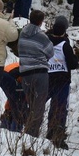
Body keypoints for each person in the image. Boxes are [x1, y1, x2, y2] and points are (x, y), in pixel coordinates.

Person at [17, 10, 54, 138]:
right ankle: (32, 134)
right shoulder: (41, 36)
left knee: (31, 103)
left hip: (25, 73)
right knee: (39, 105)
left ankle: (28, 130)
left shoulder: (22, 33)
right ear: (41, 21)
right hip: (40, 73)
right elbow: (50, 52)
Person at [45, 15, 79, 148]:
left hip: (47, 78)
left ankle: (46, 132)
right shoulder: (65, 44)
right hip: (62, 80)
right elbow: (73, 64)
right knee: (59, 108)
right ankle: (57, 136)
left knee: (42, 105)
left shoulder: (46, 41)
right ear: (65, 30)